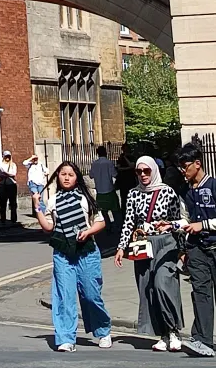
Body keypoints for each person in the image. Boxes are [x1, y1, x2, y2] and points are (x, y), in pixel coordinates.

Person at [34, 161, 112, 353]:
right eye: (63, 174)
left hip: (87, 251)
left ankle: (103, 331)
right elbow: (48, 227)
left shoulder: (86, 197)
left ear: (77, 178)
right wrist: (37, 207)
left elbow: (100, 223)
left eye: (70, 174)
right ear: (57, 177)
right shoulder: (53, 201)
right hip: (63, 253)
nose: (67, 177)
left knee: (91, 295)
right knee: (64, 297)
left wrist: (87, 232)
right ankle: (66, 338)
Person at [114, 154, 184, 351]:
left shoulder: (168, 192)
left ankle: (174, 331)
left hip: (165, 244)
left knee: (164, 284)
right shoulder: (133, 194)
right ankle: (162, 334)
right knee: (149, 289)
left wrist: (182, 251)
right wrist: (121, 247)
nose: (143, 175)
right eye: (139, 171)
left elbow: (176, 221)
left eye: (147, 171)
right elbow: (128, 222)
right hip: (143, 245)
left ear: (154, 170)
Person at [174, 143, 216, 357]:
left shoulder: (214, 186)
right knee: (200, 293)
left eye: (185, 165)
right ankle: (203, 340)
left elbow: (201, 223)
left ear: (197, 164)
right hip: (197, 249)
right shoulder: (185, 192)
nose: (182, 170)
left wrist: (205, 225)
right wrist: (171, 225)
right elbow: (186, 220)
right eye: (180, 165)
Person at [90, 146, 120, 231]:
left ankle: (107, 225)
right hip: (109, 189)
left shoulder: (94, 163)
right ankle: (117, 226)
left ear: (97, 153)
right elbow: (114, 174)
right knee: (115, 210)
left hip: (99, 191)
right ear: (105, 152)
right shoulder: (109, 163)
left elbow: (91, 175)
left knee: (103, 211)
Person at [0, 150, 18, 224]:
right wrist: (8, 174)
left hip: (12, 185)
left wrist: (6, 174)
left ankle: (14, 219)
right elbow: (0, 174)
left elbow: (13, 174)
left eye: (9, 156)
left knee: (13, 203)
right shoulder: (1, 165)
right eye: (6, 156)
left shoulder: (13, 165)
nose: (7, 158)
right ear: (3, 157)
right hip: (3, 185)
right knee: (3, 203)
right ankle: (3, 219)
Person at [116, 143, 138, 211]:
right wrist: (128, 168)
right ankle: (124, 211)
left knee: (132, 196)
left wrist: (126, 158)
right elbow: (119, 168)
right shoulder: (120, 158)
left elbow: (132, 165)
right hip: (123, 180)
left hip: (131, 179)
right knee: (123, 197)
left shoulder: (132, 157)